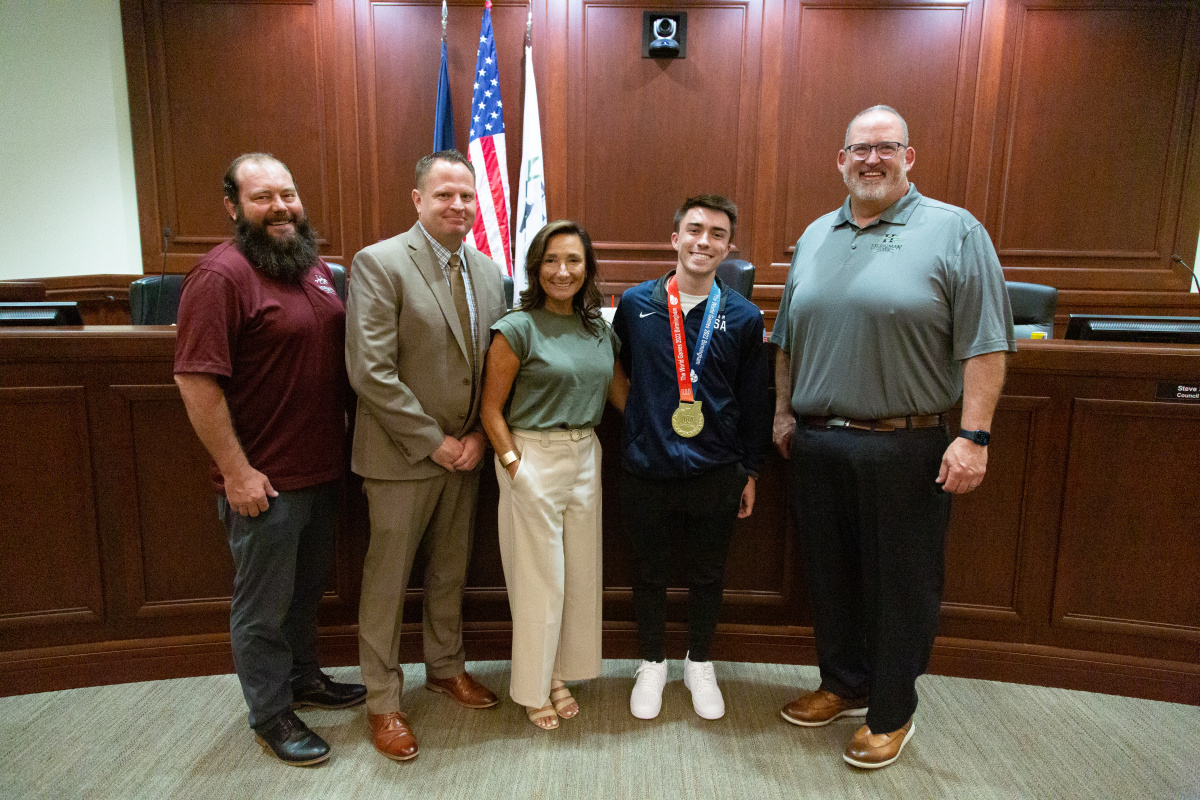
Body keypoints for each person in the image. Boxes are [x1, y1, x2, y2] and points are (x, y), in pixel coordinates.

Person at [771, 105, 1015, 769]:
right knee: (831, 576)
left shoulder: (955, 231)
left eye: (886, 148)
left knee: (899, 584)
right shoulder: (818, 233)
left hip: (907, 444)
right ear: (840, 160)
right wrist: (784, 412)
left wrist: (974, 436)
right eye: (859, 149)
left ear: (910, 157)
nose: (870, 160)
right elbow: (788, 336)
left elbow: (987, 345)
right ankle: (844, 684)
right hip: (819, 441)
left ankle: (891, 711)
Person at [174, 152, 365, 767]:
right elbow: (196, 383)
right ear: (233, 207)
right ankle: (269, 712)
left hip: (322, 469)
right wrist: (237, 471)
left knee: (306, 591)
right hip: (265, 481)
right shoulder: (220, 277)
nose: (280, 207)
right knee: (262, 605)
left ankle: (303, 677)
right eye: (262, 198)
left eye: (287, 194)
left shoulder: (310, 268)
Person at [346, 150, 507, 762]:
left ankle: (445, 667)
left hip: (465, 455)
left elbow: (495, 362)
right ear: (418, 200)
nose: (458, 206)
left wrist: (473, 439)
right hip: (401, 457)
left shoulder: (491, 272)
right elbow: (370, 371)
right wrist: (433, 441)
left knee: (449, 571)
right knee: (387, 583)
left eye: (467, 196)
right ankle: (383, 700)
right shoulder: (380, 263)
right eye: (444, 195)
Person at [613, 194, 772, 721]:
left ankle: (698, 661)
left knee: (708, 573)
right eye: (696, 230)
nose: (705, 242)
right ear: (675, 237)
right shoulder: (636, 305)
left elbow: (756, 399)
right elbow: (618, 375)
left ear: (729, 247)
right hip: (647, 465)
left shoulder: (745, 316)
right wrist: (640, 423)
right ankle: (652, 662)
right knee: (649, 571)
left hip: (717, 469)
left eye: (718, 234)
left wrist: (749, 469)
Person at [479, 220, 627, 730]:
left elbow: (623, 397)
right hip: (531, 455)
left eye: (573, 261)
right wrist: (514, 465)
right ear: (535, 268)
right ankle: (533, 687)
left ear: (587, 270)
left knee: (580, 574)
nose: (562, 271)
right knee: (540, 579)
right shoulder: (517, 326)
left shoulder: (598, 330)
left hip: (586, 454)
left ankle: (561, 672)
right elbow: (490, 409)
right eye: (551, 261)